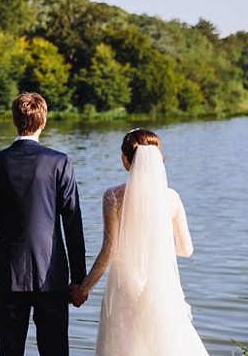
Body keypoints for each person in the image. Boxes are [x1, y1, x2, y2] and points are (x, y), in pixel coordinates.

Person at [74, 129, 209, 356]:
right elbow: (186, 249)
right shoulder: (172, 198)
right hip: (162, 287)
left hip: (125, 288)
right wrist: (156, 248)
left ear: (125, 159)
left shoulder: (114, 196)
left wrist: (83, 288)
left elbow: (110, 250)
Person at [0, 92, 86, 356]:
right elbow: (72, 221)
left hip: (7, 274)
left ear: (13, 121)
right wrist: (78, 278)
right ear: (43, 122)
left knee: (8, 350)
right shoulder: (59, 162)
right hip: (52, 275)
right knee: (55, 351)